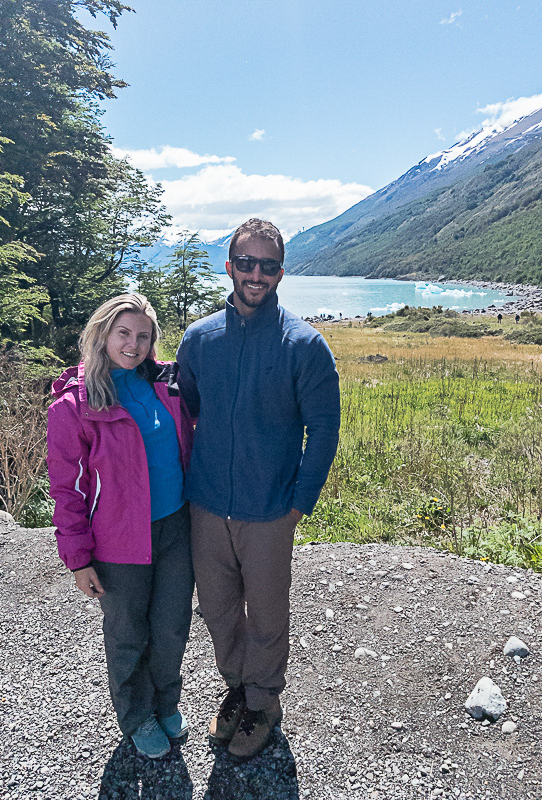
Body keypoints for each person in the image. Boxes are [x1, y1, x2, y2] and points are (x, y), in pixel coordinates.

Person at [176, 219, 340, 757]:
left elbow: (324, 432)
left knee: (267, 615)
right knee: (219, 610)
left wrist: (299, 505)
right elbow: (192, 409)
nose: (255, 274)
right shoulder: (198, 340)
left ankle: (264, 702)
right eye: (246, 262)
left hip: (269, 511)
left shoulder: (305, 346)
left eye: (267, 265)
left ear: (280, 273)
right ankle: (239, 690)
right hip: (206, 506)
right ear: (229, 266)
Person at [47, 293, 195, 759]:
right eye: (124, 333)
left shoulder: (165, 385)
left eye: (143, 336)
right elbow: (67, 488)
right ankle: (135, 715)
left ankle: (166, 701)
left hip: (175, 527)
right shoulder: (75, 404)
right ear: (103, 333)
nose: (133, 344)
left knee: (172, 627)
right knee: (128, 632)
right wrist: (77, 558)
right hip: (116, 541)